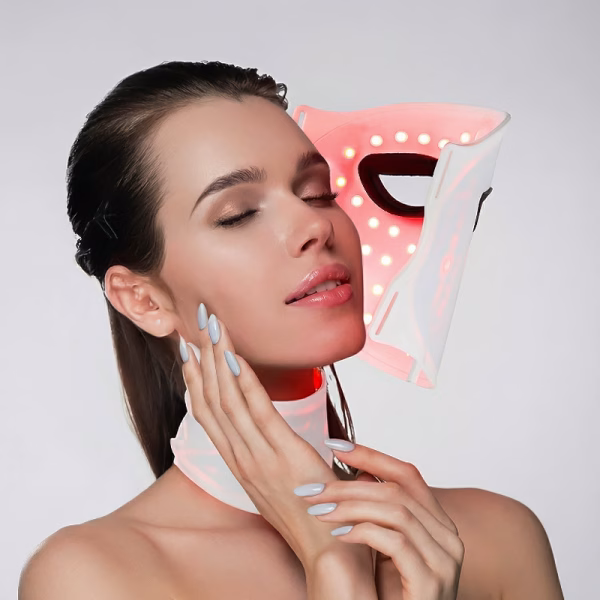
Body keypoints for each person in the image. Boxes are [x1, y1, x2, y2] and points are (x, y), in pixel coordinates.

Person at [18, 60, 563, 599]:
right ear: (143, 299)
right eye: (237, 214)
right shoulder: (91, 577)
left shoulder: (494, 537)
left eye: (318, 192)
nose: (315, 225)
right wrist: (335, 567)